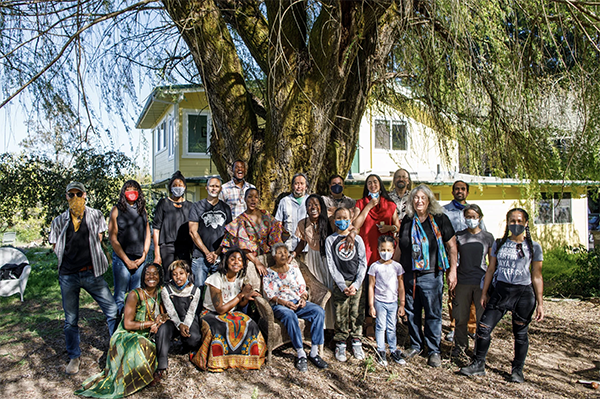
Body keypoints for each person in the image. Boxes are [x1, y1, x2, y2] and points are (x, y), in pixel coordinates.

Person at [460, 208, 544, 383]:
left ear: (526, 223)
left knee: (520, 333)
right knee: (483, 328)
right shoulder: (499, 243)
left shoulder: (534, 246)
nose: (516, 224)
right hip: (501, 292)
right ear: (507, 223)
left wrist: (541, 303)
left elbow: (536, 275)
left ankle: (517, 371)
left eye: (519, 221)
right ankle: (478, 364)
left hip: (523, 294)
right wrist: (484, 293)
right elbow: (491, 269)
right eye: (512, 221)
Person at [49, 182, 118, 375]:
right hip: (68, 275)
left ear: (85, 195)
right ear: (66, 197)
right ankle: (74, 356)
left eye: (78, 193)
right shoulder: (59, 220)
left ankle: (116, 349)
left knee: (112, 310)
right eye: (71, 194)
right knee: (71, 319)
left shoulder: (95, 215)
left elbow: (99, 237)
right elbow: (55, 246)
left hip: (91, 273)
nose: (75, 197)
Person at [75, 263, 168, 397]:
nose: (151, 277)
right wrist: (150, 323)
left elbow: (164, 314)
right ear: (143, 276)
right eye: (148, 274)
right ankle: (136, 379)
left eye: (155, 274)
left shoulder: (160, 292)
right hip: (127, 334)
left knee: (148, 345)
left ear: (160, 277)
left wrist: (159, 321)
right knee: (136, 344)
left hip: (147, 335)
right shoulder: (135, 294)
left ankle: (145, 374)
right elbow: (128, 324)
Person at [396, 184, 457, 368]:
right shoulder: (407, 220)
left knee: (433, 313)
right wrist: (393, 269)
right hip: (409, 275)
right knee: (412, 313)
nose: (419, 201)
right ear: (411, 201)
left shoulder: (440, 219)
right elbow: (400, 246)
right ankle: (416, 345)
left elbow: (452, 246)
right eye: (416, 198)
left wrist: (452, 270)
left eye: (423, 198)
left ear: (429, 200)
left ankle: (433, 350)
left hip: (432, 275)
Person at [191, 248, 267, 372]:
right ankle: (216, 362)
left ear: (243, 265)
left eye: (240, 260)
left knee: (250, 324)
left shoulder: (241, 278)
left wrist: (246, 297)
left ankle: (248, 361)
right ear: (226, 262)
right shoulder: (216, 278)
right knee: (220, 327)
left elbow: (241, 305)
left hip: (231, 312)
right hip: (211, 313)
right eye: (232, 259)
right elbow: (220, 309)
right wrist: (240, 295)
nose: (236, 262)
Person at [263, 243, 329, 371]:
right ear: (273, 256)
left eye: (285, 252)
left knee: (318, 311)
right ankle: (300, 353)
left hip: (297, 302)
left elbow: (302, 288)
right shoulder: (269, 272)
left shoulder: (294, 268)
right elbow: (269, 294)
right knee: (289, 315)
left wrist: (303, 299)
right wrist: (284, 303)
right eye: (279, 253)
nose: (283, 255)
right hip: (279, 305)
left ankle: (314, 353)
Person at [443, 180, 485, 343]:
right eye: (457, 189)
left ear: (467, 192)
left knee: (473, 295)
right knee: (454, 294)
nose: (460, 191)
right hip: (453, 260)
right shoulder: (445, 211)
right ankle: (454, 326)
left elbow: (483, 235)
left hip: (473, 263)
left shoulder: (474, 211)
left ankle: (472, 327)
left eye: (463, 189)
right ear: (452, 192)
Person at [325, 207, 368, 362]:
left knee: (356, 312)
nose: (342, 221)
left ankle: (357, 340)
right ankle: (341, 342)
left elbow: (363, 262)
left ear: (350, 220)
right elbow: (331, 264)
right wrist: (342, 284)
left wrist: (356, 283)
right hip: (340, 283)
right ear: (334, 220)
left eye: (345, 218)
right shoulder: (330, 240)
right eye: (339, 218)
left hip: (356, 282)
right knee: (340, 312)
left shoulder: (358, 239)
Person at [452, 204, 494, 357]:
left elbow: (492, 263)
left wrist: (490, 286)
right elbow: (454, 258)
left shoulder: (488, 237)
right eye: (468, 217)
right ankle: (461, 346)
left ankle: (480, 349)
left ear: (480, 218)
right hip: (463, 281)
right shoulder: (459, 235)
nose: (471, 220)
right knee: (461, 317)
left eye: (474, 217)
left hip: (481, 282)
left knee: (481, 319)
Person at [108, 180, 151, 314]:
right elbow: (113, 238)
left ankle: (132, 326)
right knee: (120, 296)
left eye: (134, 189)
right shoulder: (116, 210)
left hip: (139, 260)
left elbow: (147, 233)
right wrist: (126, 260)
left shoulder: (142, 210)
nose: (131, 192)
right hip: (122, 260)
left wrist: (144, 255)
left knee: (136, 295)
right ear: (123, 192)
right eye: (128, 189)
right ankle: (117, 329)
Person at [155, 261, 202, 383]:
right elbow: (170, 310)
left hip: (188, 320)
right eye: (174, 274)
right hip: (173, 320)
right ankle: (161, 365)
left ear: (187, 273)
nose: (178, 277)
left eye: (181, 273)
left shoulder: (195, 290)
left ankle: (186, 346)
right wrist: (179, 325)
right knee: (163, 329)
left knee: (194, 338)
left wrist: (185, 325)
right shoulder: (166, 289)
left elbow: (192, 311)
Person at [221, 188, 285, 278]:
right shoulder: (240, 220)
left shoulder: (265, 214)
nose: (253, 199)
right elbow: (242, 246)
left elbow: (276, 234)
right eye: (250, 197)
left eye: (256, 197)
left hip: (268, 257)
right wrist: (257, 262)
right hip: (250, 259)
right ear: (245, 199)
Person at [368, 236, 406, 366]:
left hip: (393, 302)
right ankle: (381, 350)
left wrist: (402, 304)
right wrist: (371, 305)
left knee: (391, 326)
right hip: (380, 301)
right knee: (380, 326)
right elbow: (371, 286)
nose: (386, 252)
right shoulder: (374, 267)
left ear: (393, 250)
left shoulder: (397, 267)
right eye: (383, 249)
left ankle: (393, 349)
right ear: (378, 249)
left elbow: (401, 286)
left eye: (389, 249)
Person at [189, 177, 233, 287]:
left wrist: (217, 252)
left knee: (219, 290)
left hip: (220, 256)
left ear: (221, 189)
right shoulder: (197, 206)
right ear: (206, 187)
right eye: (211, 186)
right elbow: (192, 232)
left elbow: (229, 233)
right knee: (197, 291)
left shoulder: (226, 208)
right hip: (200, 256)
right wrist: (207, 253)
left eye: (217, 186)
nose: (214, 189)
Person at [353, 174, 400, 267]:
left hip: (385, 248)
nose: (372, 185)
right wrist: (368, 206)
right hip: (367, 246)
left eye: (375, 182)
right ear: (366, 187)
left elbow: (398, 227)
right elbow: (356, 225)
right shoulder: (360, 203)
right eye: (369, 183)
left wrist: (389, 228)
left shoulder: (390, 204)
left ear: (380, 184)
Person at [152, 171, 193, 278]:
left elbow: (194, 230)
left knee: (184, 277)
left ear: (185, 187)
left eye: (180, 185)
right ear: (170, 187)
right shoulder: (163, 204)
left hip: (185, 248)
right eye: (175, 185)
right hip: (167, 247)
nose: (178, 188)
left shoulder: (190, 206)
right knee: (168, 277)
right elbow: (156, 229)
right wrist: (157, 254)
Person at [275, 173, 309, 251]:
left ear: (306, 186)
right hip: (289, 247)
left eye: (302, 184)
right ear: (292, 186)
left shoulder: (311, 201)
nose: (299, 186)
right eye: (296, 184)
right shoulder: (284, 201)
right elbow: (278, 224)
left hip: (307, 248)